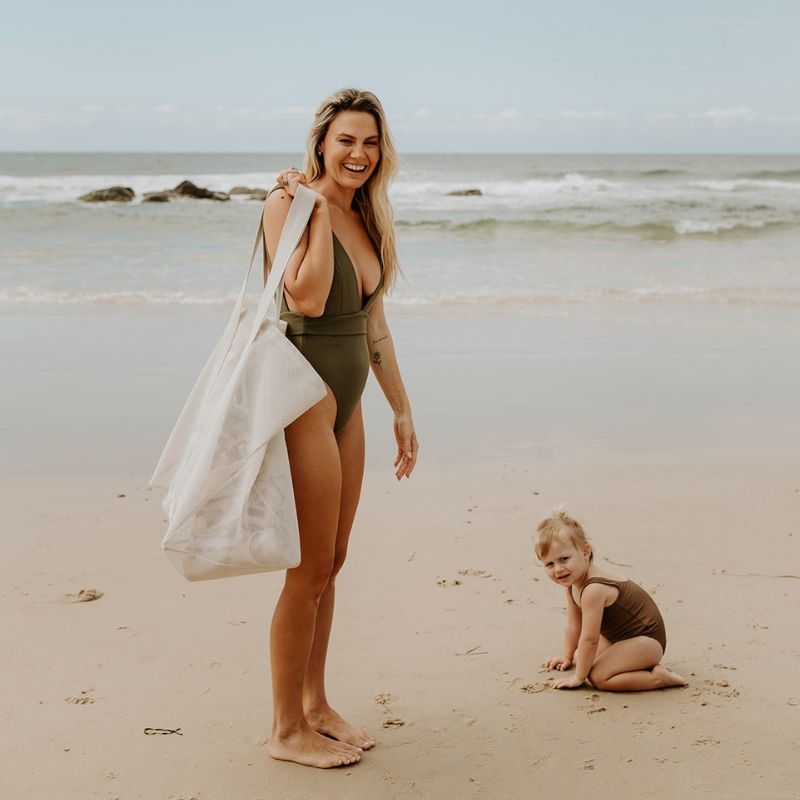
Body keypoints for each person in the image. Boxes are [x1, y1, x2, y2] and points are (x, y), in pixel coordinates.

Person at [261, 88, 418, 769]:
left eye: (371, 142)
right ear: (321, 143)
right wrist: (313, 210)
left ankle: (317, 703)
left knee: (334, 563)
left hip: (351, 402)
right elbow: (307, 296)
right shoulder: (287, 205)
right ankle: (284, 727)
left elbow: (373, 324)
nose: (359, 153)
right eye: (347, 140)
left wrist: (402, 409)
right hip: (305, 400)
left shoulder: (371, 216)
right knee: (308, 570)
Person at [535, 511, 687, 692]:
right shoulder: (573, 584)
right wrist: (567, 656)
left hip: (647, 640)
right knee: (579, 657)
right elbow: (574, 626)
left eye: (564, 559)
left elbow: (590, 639)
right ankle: (630, 663)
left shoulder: (593, 589)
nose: (558, 569)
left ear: (585, 551)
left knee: (598, 677)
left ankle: (658, 678)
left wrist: (579, 677)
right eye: (549, 564)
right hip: (619, 638)